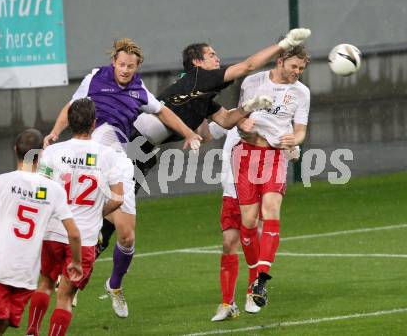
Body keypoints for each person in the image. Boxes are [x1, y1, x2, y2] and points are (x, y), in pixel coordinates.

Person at [97, 28, 312, 254]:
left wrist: (248, 108)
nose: (217, 59)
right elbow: (248, 66)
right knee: (110, 211)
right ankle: (77, 252)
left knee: (115, 217)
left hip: (142, 152)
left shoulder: (202, 93)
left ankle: (85, 259)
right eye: (211, 55)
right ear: (197, 62)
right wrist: (284, 44)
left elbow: (224, 122)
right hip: (125, 145)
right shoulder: (200, 77)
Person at [43, 38, 203, 318]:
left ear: (137, 66)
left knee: (127, 237)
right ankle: (64, 275)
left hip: (116, 162)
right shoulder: (95, 78)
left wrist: (189, 133)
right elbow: (72, 107)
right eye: (121, 64)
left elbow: (163, 112)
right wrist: (55, 133)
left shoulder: (139, 90)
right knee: (67, 213)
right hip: (87, 160)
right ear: (113, 63)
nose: (125, 70)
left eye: (130, 66)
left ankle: (114, 285)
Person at [0, 129, 82, 336]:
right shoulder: (54, 190)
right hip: (27, 278)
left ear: (14, 150)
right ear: (41, 155)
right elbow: (73, 234)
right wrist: (76, 261)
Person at [26, 98, 124, 335]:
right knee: (66, 297)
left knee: (45, 284)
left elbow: (42, 191)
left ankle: (32, 329)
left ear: (69, 122)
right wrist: (96, 212)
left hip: (52, 231)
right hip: (84, 236)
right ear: (94, 123)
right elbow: (119, 198)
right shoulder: (108, 155)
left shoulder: (53, 152)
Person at [231, 44, 311, 310]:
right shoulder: (253, 81)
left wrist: (295, 138)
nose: (297, 72)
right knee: (249, 222)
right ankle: (253, 279)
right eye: (293, 67)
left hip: (275, 156)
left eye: (301, 68)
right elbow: (239, 118)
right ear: (280, 61)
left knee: (271, 210)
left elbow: (300, 130)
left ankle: (261, 281)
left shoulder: (301, 93)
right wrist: (243, 124)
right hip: (246, 155)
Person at [205, 122, 300, 321]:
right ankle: (227, 304)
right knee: (228, 243)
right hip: (231, 192)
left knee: (254, 236)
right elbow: (206, 133)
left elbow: (293, 154)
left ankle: (253, 291)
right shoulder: (231, 117)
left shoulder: (274, 120)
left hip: (255, 189)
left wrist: (290, 146)